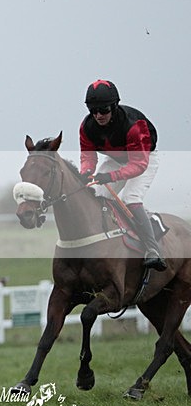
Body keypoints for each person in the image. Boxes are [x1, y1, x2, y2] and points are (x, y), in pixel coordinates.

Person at [79, 79, 167, 271]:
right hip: (117, 160)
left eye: (103, 110)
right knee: (98, 195)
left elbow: (138, 165)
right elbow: (88, 156)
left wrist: (111, 177)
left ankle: (153, 248)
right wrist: (85, 172)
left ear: (114, 106)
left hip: (144, 159)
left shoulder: (134, 126)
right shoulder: (86, 127)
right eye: (93, 111)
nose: (98, 115)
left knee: (130, 197)